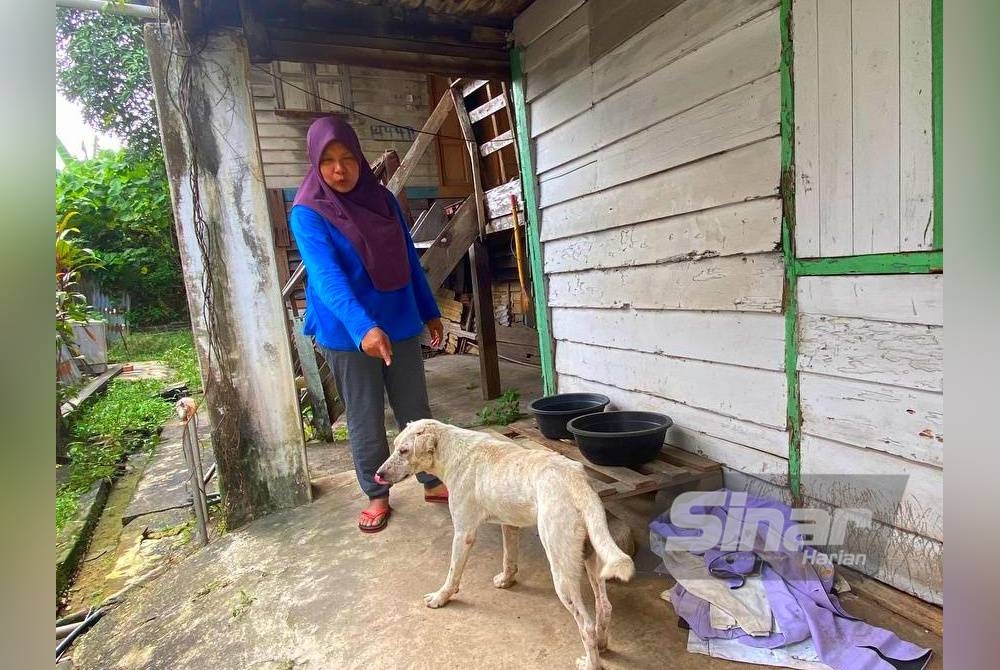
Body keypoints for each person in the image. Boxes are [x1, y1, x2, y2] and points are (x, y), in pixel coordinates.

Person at [289, 116, 448, 533]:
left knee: (416, 410)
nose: (339, 170)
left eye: (347, 158)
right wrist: (362, 328)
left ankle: (432, 478)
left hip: (397, 317)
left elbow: (407, 257)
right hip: (345, 331)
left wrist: (429, 308)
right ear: (315, 163)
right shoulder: (308, 213)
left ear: (359, 159)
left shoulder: (382, 199)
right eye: (328, 161)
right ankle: (377, 493)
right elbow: (327, 278)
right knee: (365, 415)